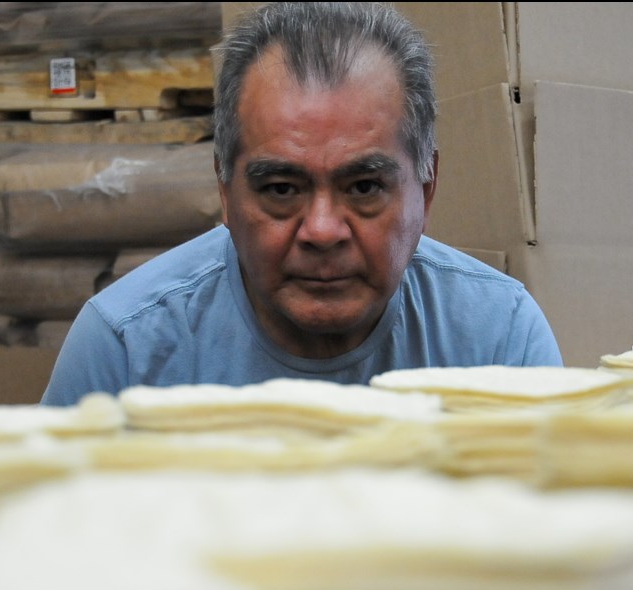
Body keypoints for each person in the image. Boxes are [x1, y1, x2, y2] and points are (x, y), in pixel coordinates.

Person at [41, 2, 561, 406]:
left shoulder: (499, 341)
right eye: (282, 190)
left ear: (426, 190)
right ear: (225, 192)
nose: (322, 230)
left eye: (363, 187)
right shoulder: (125, 353)